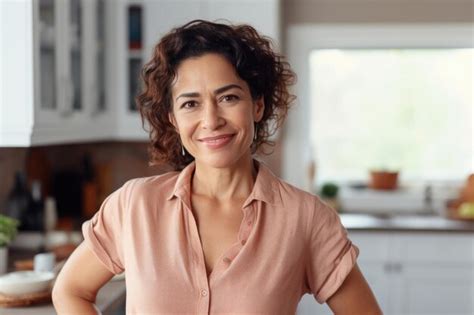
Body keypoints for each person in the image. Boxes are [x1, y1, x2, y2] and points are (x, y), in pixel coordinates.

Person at [52, 20, 382, 314]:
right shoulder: (133, 205)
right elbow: (71, 291)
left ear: (257, 105)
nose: (211, 120)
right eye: (190, 104)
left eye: (228, 98)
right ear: (174, 119)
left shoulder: (305, 218)